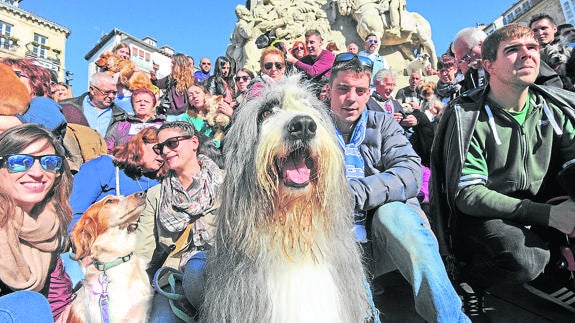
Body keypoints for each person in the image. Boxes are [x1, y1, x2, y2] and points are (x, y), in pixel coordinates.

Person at [431, 23, 575, 320]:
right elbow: (468, 194)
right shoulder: (469, 114)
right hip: (489, 216)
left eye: (532, 47)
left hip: (544, 205)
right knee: (526, 257)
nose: (527, 55)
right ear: (488, 66)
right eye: (512, 50)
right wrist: (547, 215)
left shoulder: (554, 106)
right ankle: (473, 281)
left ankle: (557, 267)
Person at [326, 53, 468, 323]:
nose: (351, 98)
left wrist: (351, 194)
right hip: (336, 235)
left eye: (359, 90)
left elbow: (410, 173)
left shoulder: (383, 124)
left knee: (395, 213)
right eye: (343, 89)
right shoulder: (314, 129)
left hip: (386, 232)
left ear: (369, 93)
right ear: (329, 90)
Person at [65, 127, 167, 286]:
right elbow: (73, 214)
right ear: (140, 144)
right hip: (93, 253)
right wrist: (84, 251)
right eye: (158, 148)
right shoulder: (105, 167)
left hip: (136, 258)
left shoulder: (162, 182)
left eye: (167, 150)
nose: (163, 154)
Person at [145, 121, 224, 322]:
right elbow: (142, 252)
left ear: (194, 142)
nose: (165, 151)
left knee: (198, 267)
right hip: (175, 278)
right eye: (159, 147)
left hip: (223, 271)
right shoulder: (155, 195)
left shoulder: (228, 183)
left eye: (172, 143)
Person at [0, 124, 74, 321]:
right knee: (29, 304)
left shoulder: (50, 225)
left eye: (49, 163)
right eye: (20, 162)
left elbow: (57, 298)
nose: (37, 173)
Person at [59, 72, 127, 137]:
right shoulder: (65, 107)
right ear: (92, 90)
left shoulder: (121, 116)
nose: (111, 96)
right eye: (106, 92)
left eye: (114, 93)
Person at [105, 88, 167, 153]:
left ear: (153, 105)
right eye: (138, 101)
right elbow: (107, 149)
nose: (142, 104)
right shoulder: (119, 126)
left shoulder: (164, 126)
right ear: (132, 105)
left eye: (147, 101)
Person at [530, 14, 574, 91]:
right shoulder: (531, 57)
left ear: (554, 29)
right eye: (535, 30)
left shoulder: (571, 50)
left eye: (544, 28)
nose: (540, 33)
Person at [181, 82, 230, 146]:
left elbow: (227, 127)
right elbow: (188, 139)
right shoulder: (186, 117)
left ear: (206, 95)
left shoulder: (217, 108)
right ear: (190, 102)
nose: (195, 96)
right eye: (190, 95)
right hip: (203, 150)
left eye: (197, 93)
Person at [153, 53, 196, 120]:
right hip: (169, 115)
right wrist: (154, 79)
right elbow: (158, 84)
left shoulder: (193, 81)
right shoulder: (170, 79)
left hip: (186, 116)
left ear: (180, 65)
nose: (171, 65)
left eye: (173, 63)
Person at [451, 27, 488, 92]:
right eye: (460, 62)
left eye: (465, 58)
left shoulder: (505, 64)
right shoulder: (469, 78)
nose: (465, 64)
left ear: (481, 44)